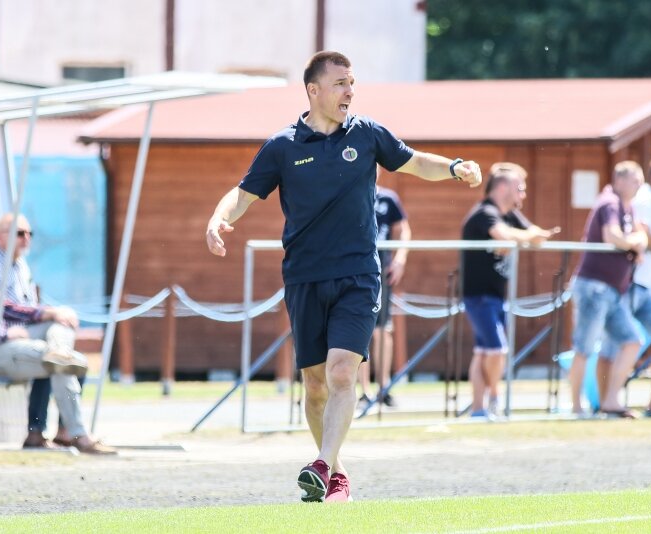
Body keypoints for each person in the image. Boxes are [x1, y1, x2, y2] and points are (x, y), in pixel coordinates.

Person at [205, 51, 482, 503]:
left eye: (352, 83)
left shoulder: (368, 134)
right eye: (340, 84)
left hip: (358, 275)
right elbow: (243, 194)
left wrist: (453, 167)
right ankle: (336, 474)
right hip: (304, 278)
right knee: (315, 386)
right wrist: (218, 220)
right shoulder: (282, 146)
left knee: (340, 373)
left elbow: (415, 162)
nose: (349, 91)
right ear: (313, 90)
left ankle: (319, 464)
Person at [0, 224, 115, 454]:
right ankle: (76, 434)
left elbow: (6, 307)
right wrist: (5, 333)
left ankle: (59, 357)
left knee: (59, 326)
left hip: (2, 343)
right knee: (62, 362)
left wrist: (48, 313)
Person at [0, 213, 86, 448]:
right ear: (0, 237)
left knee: (67, 353)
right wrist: (46, 313)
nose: (26, 238)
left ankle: (63, 430)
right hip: (5, 337)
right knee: (51, 358)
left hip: (28, 332)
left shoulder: (21, 265)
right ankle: (37, 430)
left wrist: (50, 313)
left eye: (29, 233)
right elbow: (1, 308)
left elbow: (29, 306)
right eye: (20, 233)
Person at [461, 162, 558, 418]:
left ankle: (478, 409)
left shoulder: (510, 215)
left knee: (483, 352)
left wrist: (524, 237)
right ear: (503, 188)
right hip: (478, 295)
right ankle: (494, 397)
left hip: (496, 295)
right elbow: (504, 235)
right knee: (496, 350)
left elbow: (536, 235)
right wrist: (520, 238)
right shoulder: (485, 212)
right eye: (520, 189)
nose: (523, 195)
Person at [599, 159, 651, 419]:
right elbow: (642, 235)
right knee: (614, 345)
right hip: (626, 283)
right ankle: (604, 404)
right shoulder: (644, 198)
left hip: (645, 288)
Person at [569, 161, 647, 418]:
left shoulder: (628, 207)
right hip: (594, 288)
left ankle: (611, 401)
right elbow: (612, 236)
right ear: (620, 180)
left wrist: (635, 242)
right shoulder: (610, 203)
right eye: (635, 180)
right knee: (584, 347)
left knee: (632, 341)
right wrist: (634, 244)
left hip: (613, 292)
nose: (639, 185)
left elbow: (642, 235)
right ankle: (576, 407)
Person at [357, 181, 411, 408]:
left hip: (381, 270)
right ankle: (363, 390)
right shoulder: (352, 192)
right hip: (356, 270)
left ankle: (383, 387)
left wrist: (400, 259)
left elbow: (404, 229)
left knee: (382, 330)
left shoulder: (388, 198)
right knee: (360, 332)